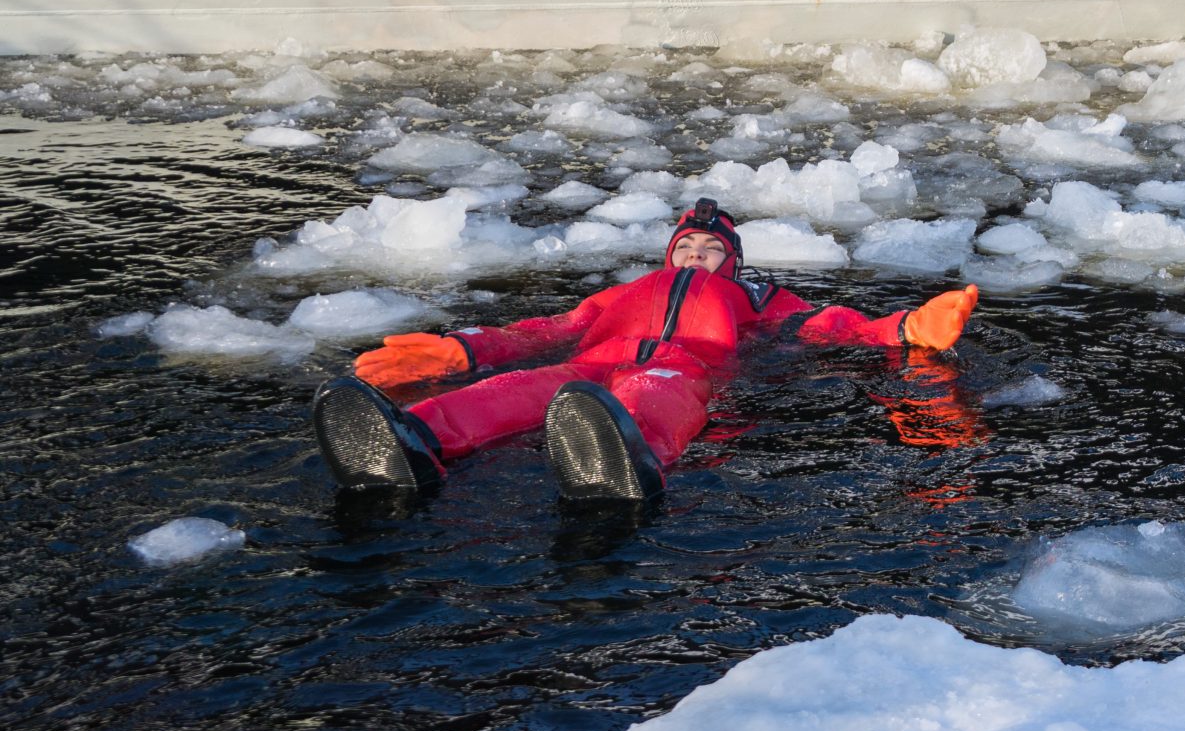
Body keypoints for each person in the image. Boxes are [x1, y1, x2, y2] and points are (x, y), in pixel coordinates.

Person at [312, 199, 980, 503]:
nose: (697, 254)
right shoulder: (627, 290)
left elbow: (825, 323)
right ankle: (414, 439)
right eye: (687, 246)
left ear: (732, 258)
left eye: (712, 248)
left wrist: (901, 328)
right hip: (591, 363)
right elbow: (547, 328)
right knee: (514, 391)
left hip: (688, 364)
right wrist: (465, 349)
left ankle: (627, 459)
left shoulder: (752, 296)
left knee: (652, 398)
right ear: (669, 253)